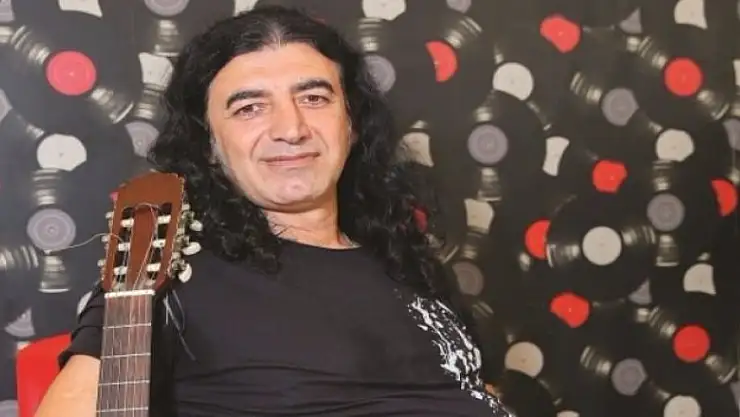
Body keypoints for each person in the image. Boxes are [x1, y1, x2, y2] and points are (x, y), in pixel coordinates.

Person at [35, 5, 513, 417]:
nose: (291, 128)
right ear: (208, 144)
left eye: (314, 98)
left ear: (351, 124)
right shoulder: (166, 273)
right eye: (249, 108)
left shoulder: (406, 259)